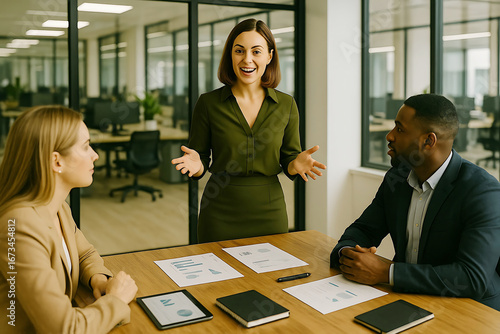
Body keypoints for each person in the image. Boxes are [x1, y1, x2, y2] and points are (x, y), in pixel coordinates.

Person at [330, 94, 500, 311]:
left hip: (468, 309)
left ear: (429, 141)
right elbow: (363, 229)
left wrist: (387, 272)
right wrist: (347, 254)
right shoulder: (397, 177)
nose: (389, 136)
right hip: (409, 299)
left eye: (399, 129)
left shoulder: (482, 191)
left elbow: (471, 277)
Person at [172, 18, 326, 243]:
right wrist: (196, 166)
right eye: (239, 51)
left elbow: (289, 158)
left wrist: (295, 164)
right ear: (230, 55)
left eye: (256, 51)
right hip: (219, 210)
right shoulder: (208, 103)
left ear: (269, 56)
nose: (247, 59)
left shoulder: (286, 104)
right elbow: (201, 159)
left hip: (269, 210)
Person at [0, 106, 138, 333]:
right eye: (85, 147)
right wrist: (116, 300)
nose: (95, 155)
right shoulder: (19, 226)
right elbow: (63, 328)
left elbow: (84, 254)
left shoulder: (58, 208)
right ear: (56, 162)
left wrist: (98, 279)